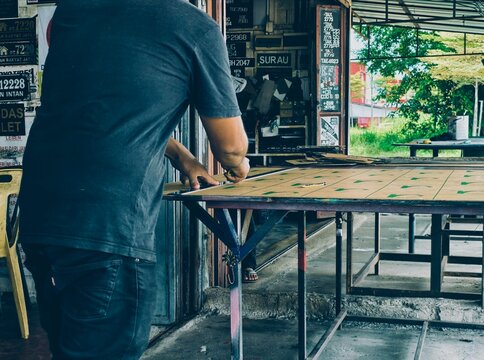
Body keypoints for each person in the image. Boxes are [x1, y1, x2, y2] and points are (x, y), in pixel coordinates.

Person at [18, 1, 249, 359]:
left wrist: (181, 156)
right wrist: (239, 164)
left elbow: (104, 106)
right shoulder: (195, 28)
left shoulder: (73, 11)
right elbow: (230, 148)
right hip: (107, 228)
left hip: (41, 217)